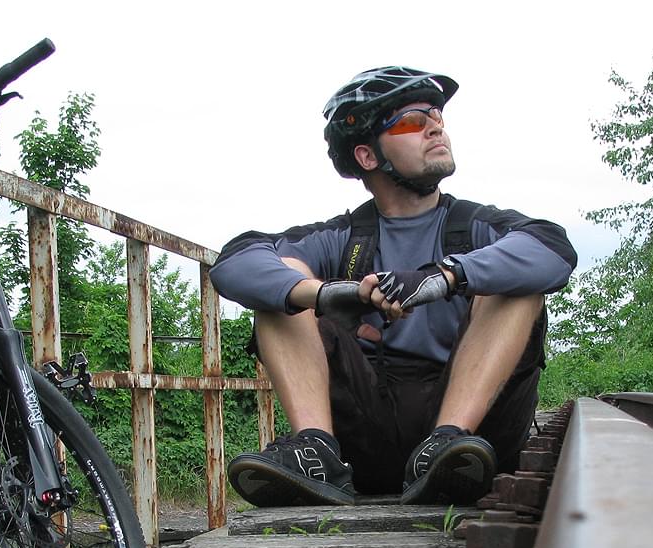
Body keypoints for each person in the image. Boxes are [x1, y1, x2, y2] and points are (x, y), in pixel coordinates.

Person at [209, 66, 577, 507]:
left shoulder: (476, 227)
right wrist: (328, 294)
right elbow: (236, 262)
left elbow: (553, 250)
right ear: (368, 156)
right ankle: (317, 453)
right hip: (368, 432)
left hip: (470, 448)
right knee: (281, 284)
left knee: (516, 282)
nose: (435, 127)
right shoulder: (342, 238)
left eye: (436, 116)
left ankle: (445, 440)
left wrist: (445, 277)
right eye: (413, 121)